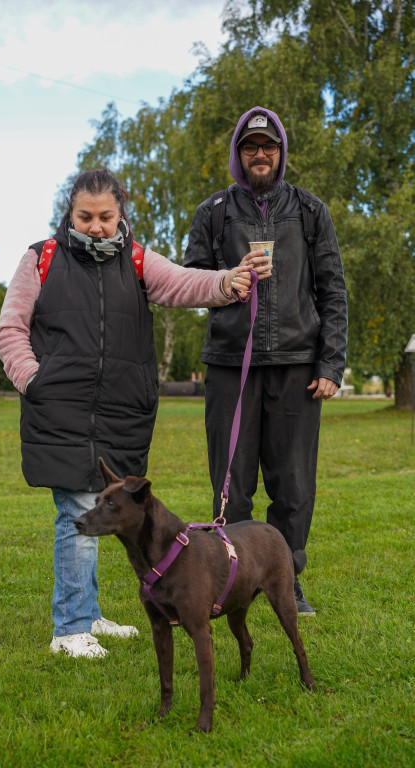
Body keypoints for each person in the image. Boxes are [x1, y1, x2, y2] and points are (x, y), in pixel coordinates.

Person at [0, 168, 253, 658]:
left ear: (121, 215)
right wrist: (34, 380)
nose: (95, 226)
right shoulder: (41, 259)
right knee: (77, 510)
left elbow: (182, 284)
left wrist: (226, 282)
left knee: (99, 509)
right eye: (85, 216)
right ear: (70, 213)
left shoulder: (136, 260)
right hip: (60, 410)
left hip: (120, 413)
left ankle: (88, 613)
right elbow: (10, 329)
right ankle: (70, 628)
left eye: (105, 217)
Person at [183, 107, 347, 615]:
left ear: (280, 153)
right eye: (250, 146)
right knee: (231, 483)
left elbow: (333, 291)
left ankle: (287, 578)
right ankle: (228, 578)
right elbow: (191, 284)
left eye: (268, 146)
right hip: (232, 364)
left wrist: (330, 365)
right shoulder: (213, 211)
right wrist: (228, 279)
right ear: (238, 154)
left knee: (293, 483)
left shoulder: (310, 210)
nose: (260, 154)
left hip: (298, 365)